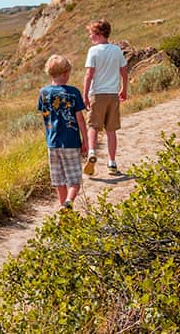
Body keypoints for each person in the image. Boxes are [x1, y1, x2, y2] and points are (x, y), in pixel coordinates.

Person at [37, 54, 89, 210]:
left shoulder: (43, 93)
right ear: (66, 73)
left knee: (59, 180)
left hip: (52, 143)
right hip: (71, 142)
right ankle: (68, 202)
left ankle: (63, 209)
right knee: (74, 181)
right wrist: (85, 140)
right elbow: (80, 119)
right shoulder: (73, 92)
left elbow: (44, 117)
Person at [83, 19, 128, 176]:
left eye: (91, 34)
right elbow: (124, 70)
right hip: (113, 95)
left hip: (97, 94)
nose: (90, 37)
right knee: (111, 130)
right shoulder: (116, 50)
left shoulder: (93, 51)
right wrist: (124, 89)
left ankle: (92, 152)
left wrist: (85, 95)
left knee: (93, 126)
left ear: (99, 34)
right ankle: (112, 162)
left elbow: (89, 74)